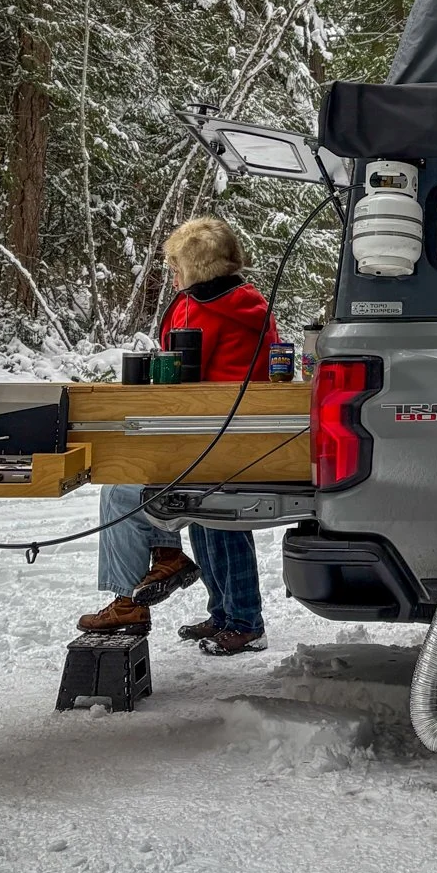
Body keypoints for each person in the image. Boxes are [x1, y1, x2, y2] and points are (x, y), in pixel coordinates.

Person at [76, 216, 277, 655]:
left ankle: (152, 597)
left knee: (122, 493)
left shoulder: (200, 311)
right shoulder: (249, 304)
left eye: (175, 268)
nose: (173, 278)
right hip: (238, 439)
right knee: (204, 514)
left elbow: (182, 387)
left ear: (196, 269)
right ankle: (223, 610)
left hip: (213, 441)